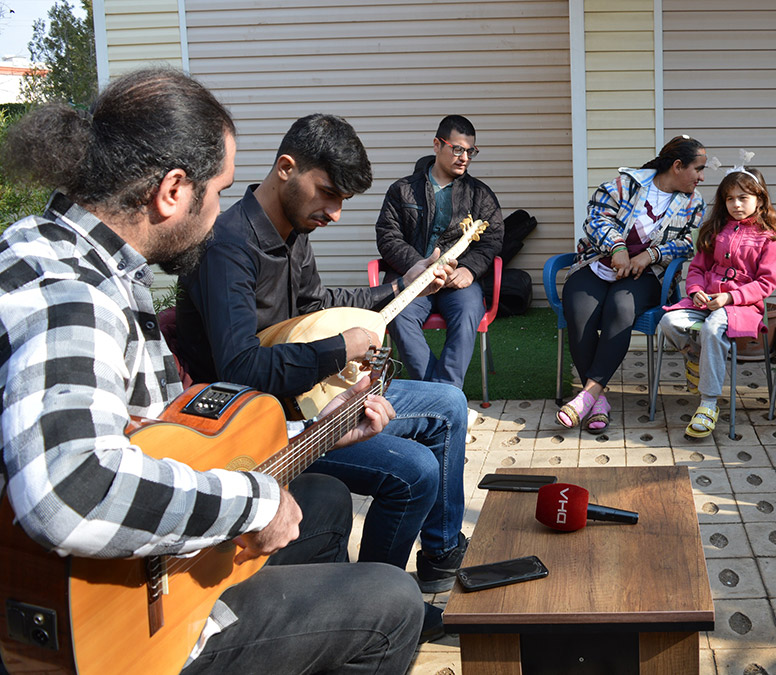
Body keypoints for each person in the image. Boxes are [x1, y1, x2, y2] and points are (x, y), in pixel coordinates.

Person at [0, 69, 423, 673]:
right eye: (220, 189)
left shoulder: (82, 257)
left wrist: (318, 430)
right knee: (393, 601)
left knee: (324, 500)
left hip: (145, 564)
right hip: (105, 623)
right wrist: (253, 503)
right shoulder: (71, 292)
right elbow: (72, 489)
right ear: (173, 190)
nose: (224, 208)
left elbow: (160, 435)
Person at [175, 114, 470, 605]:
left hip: (309, 395)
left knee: (450, 404)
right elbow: (241, 369)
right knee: (415, 470)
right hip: (267, 426)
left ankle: (439, 558)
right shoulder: (228, 246)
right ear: (286, 168)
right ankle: (377, 602)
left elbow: (315, 309)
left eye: (342, 201)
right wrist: (340, 348)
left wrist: (402, 284)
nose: (334, 213)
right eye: (328, 194)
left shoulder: (294, 230)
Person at [558, 135, 707, 433]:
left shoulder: (694, 202)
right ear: (677, 166)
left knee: (620, 306)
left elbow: (688, 243)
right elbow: (597, 219)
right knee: (578, 310)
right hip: (597, 264)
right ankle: (597, 401)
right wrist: (618, 248)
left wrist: (651, 255)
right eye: (698, 169)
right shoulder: (624, 185)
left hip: (647, 276)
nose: (701, 177)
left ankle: (587, 395)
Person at [375, 115, 504, 388]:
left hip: (457, 281)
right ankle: (441, 394)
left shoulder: (480, 194)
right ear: (437, 145)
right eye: (457, 149)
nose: (464, 157)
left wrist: (469, 269)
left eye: (471, 151)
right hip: (413, 277)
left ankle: (442, 394)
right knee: (398, 315)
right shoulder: (402, 190)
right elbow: (388, 236)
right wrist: (419, 266)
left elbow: (492, 239)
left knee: (469, 310)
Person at [658, 166, 776, 438]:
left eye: (743, 198)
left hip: (741, 307)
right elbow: (697, 269)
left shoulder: (769, 237)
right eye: (730, 199)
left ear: (760, 200)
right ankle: (694, 356)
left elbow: (766, 284)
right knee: (669, 321)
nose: (736, 204)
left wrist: (730, 297)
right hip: (705, 301)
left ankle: (708, 403)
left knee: (712, 329)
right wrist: (694, 291)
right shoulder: (715, 230)